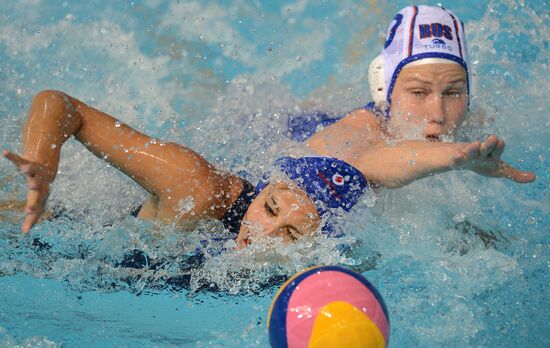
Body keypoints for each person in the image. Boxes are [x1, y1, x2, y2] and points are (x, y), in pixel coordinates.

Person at [2, 5, 535, 249]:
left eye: (454, 94)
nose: (438, 116)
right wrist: (43, 168)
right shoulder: (199, 191)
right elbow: (57, 102)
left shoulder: (471, 125)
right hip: (298, 129)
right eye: (418, 94)